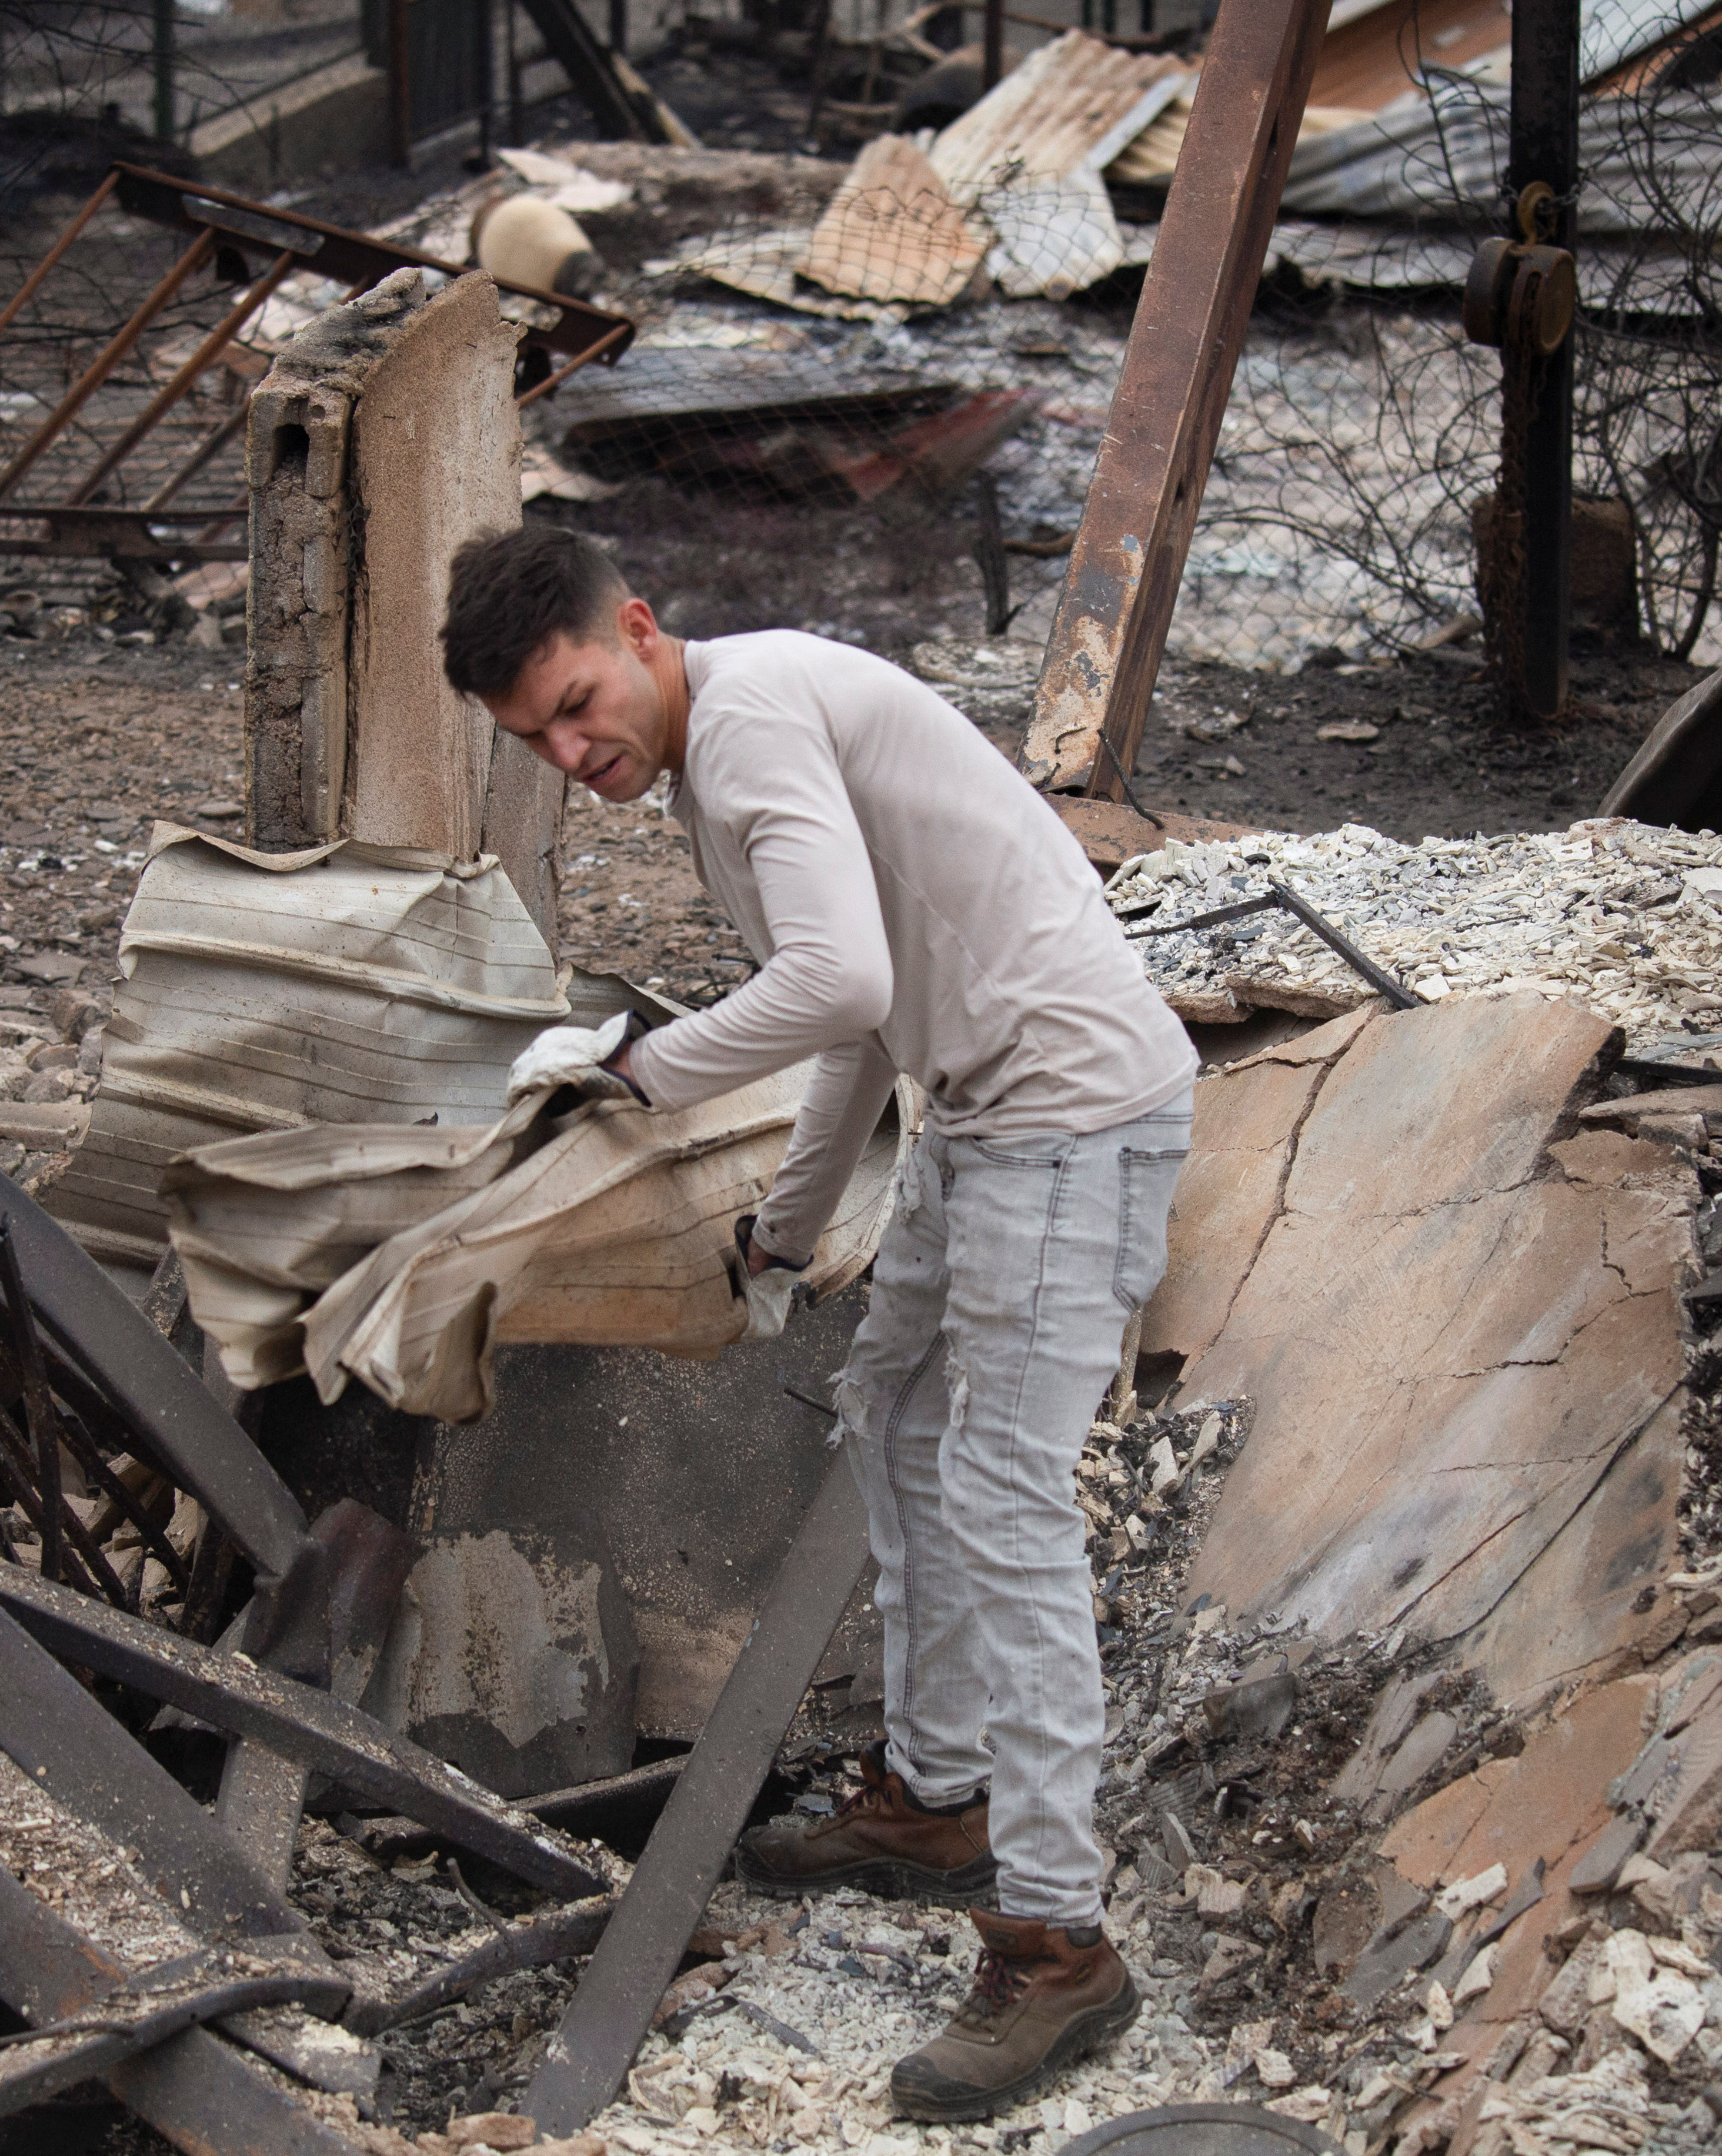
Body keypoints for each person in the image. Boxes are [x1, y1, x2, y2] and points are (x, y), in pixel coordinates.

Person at [441, 525, 1198, 2122]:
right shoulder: (724, 759)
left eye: (578, 706)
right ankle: (933, 1796)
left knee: (1003, 1498)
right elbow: (853, 1013)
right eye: (536, 743)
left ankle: (1056, 1936)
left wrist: (638, 1073)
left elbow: (838, 985)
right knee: (888, 1418)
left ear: (639, 630)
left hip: (1069, 1111)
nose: (575, 756)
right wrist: (779, 1230)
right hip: (980, 1108)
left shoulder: (758, 714)